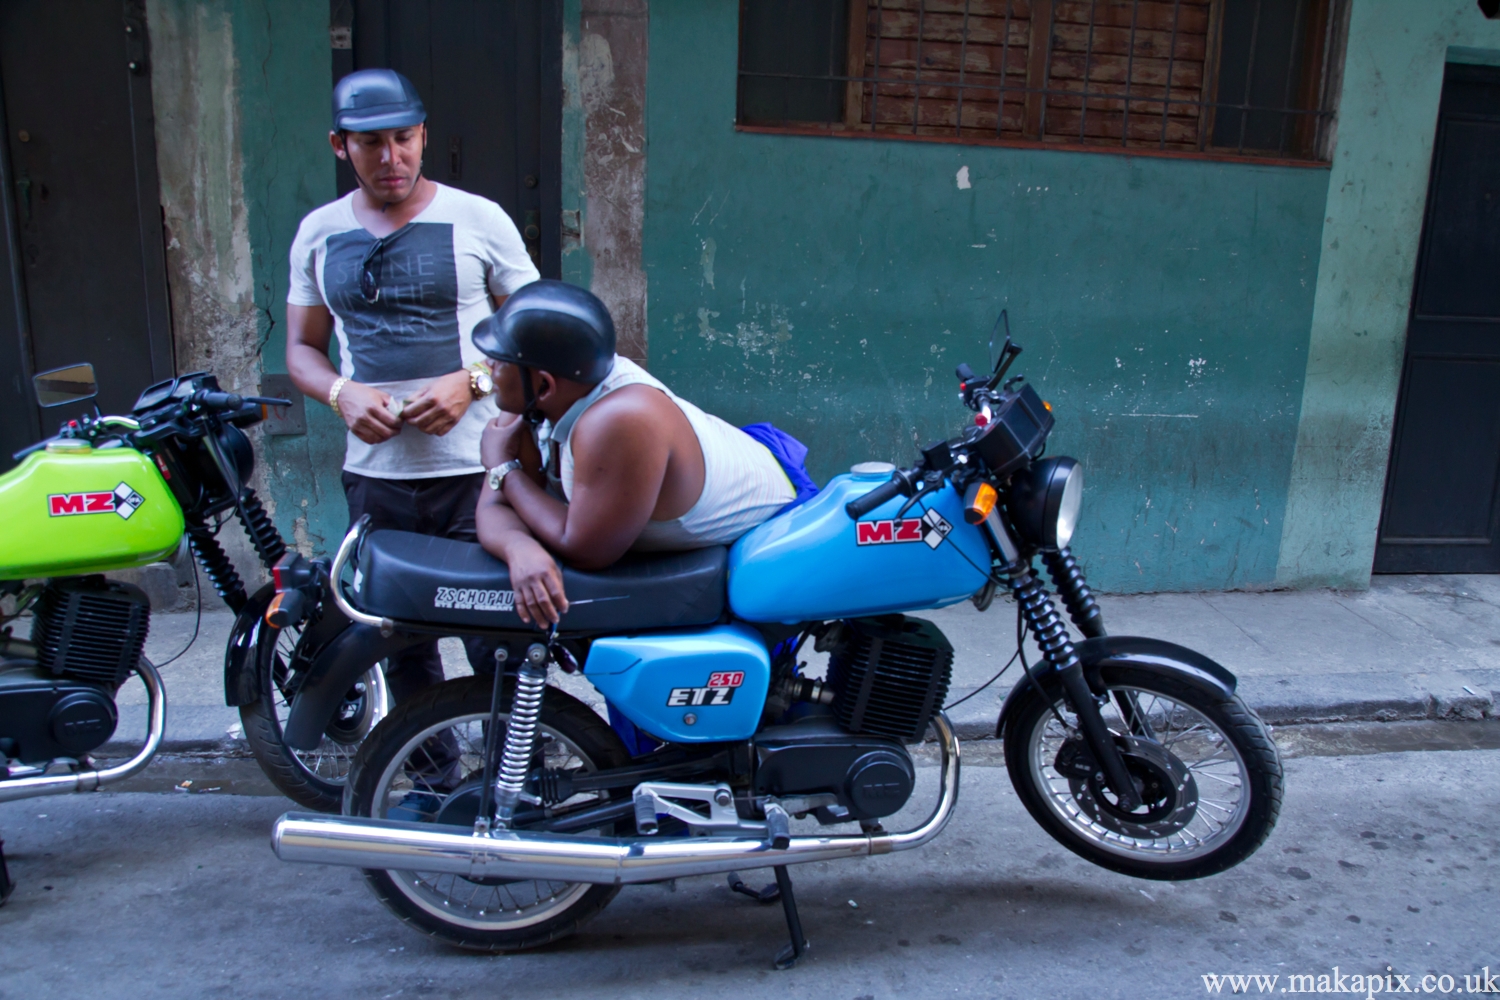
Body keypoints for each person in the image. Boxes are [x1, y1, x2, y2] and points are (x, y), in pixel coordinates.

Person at [284, 68, 540, 706]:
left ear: (424, 137)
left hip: (482, 470)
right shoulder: (319, 232)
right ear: (340, 145)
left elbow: (538, 332)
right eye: (370, 142)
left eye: (403, 138)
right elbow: (301, 350)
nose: (390, 157)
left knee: (497, 641)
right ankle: (430, 787)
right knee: (398, 642)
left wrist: (474, 380)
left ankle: (517, 785)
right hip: (377, 478)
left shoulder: (478, 219)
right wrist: (341, 391)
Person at [471, 281, 803, 627]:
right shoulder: (531, 398)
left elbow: (585, 549)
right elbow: (494, 505)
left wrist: (504, 468)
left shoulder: (619, 421)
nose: (488, 364)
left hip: (770, 540)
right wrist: (518, 548)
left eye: (501, 358)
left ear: (544, 385)